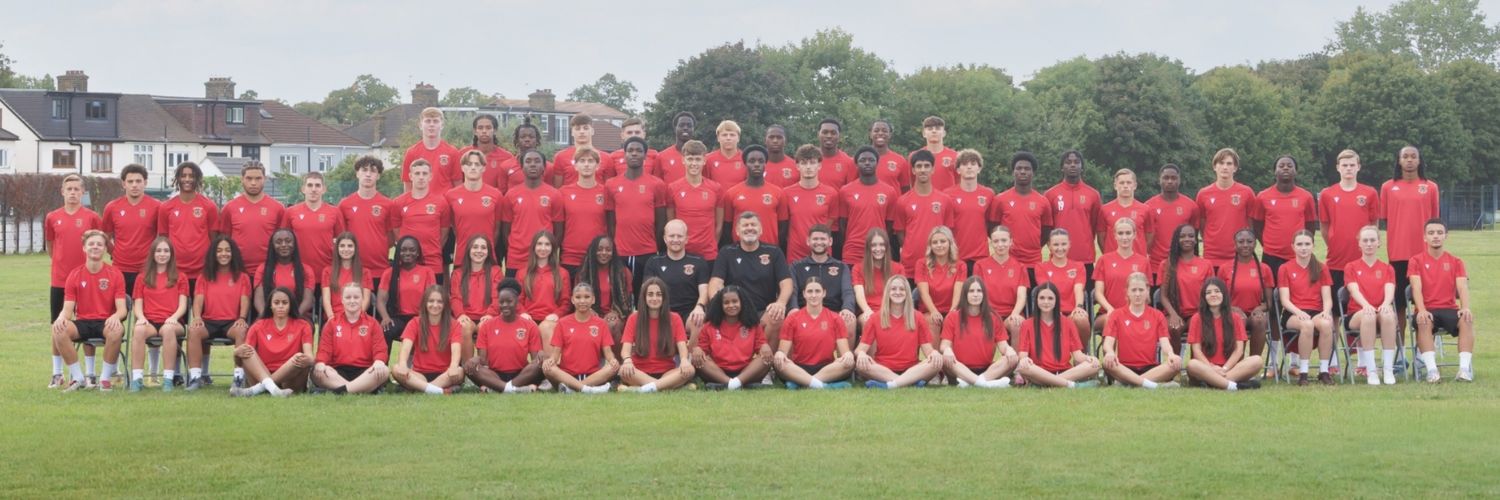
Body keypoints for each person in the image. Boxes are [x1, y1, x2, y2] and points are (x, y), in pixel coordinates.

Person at [50, 230, 127, 392]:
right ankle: (78, 378)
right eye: (91, 244)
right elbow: (68, 309)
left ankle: (105, 379)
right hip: (83, 322)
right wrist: (60, 318)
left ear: (106, 249)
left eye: (100, 244)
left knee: (117, 329)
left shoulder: (115, 274)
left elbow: (122, 310)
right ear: (84, 248)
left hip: (105, 322)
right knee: (58, 330)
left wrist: (115, 317)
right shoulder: (74, 275)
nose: (95, 247)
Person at [46, 174, 103, 388]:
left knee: (88, 323)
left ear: (82, 192)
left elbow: (98, 245)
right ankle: (57, 373)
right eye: (68, 189)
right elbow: (51, 247)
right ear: (62, 191)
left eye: (76, 189)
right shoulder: (52, 217)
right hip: (60, 281)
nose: (72, 192)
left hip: (87, 280)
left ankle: (89, 373)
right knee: (57, 325)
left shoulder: (91, 217)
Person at [1381, 146, 1440, 347]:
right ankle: (1399, 353)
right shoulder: (1388, 187)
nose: (1409, 160)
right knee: (1398, 305)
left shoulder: (1430, 187)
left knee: (1424, 305)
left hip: (1424, 257)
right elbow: (1386, 219)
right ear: (1398, 161)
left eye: (1413, 156)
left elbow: (1434, 223)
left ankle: (1424, 353)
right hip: (1398, 255)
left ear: (1419, 160)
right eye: (1405, 156)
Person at [710, 213, 793, 347]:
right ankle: (740, 358)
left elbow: (786, 283)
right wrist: (717, 304)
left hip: (763, 310)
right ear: (737, 231)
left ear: (760, 230)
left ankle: (766, 362)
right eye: (745, 225)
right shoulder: (726, 252)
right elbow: (716, 282)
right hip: (735, 310)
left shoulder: (774, 252)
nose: (749, 228)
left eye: (753, 225)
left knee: (776, 316)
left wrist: (781, 303)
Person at [1409, 219, 1475, 382]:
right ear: (1425, 237)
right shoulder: (1416, 260)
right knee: (1423, 320)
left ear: (1446, 235)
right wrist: (1422, 309)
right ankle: (1432, 371)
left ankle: (1464, 370)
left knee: (1466, 319)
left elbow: (1462, 287)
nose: (1436, 236)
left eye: (1439, 232)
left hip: (1449, 309)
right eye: (1431, 233)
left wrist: (1465, 307)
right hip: (1427, 309)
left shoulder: (1456, 261)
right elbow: (1416, 287)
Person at [185, 235, 251, 391]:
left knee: (242, 330)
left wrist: (242, 317)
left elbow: (245, 300)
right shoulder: (205, 276)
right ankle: (195, 377)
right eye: (219, 250)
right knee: (194, 331)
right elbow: (198, 300)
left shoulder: (242, 277)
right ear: (213, 254)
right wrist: (197, 317)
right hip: (209, 321)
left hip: (231, 322)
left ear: (233, 253)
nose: (224, 254)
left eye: (228, 250)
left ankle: (238, 377)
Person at [856, 276, 944, 388]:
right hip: (883, 369)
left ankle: (891, 384)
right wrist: (861, 354)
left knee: (937, 362)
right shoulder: (875, 318)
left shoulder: (917, 317)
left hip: (912, 368)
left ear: (907, 293)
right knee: (861, 366)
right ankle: (908, 383)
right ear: (887, 292)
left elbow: (928, 351)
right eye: (893, 289)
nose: (898, 292)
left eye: (902, 289)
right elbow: (859, 350)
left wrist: (934, 353)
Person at [127, 237, 187, 392]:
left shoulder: (180, 277)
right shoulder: (142, 277)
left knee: (168, 330)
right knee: (138, 330)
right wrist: (141, 318)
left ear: (171, 254)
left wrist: (173, 317)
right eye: (159, 250)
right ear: (152, 253)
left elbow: (183, 306)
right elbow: (137, 304)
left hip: (173, 322)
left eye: (166, 251)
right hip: (150, 322)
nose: (162, 254)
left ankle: (167, 379)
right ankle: (137, 379)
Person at [1101, 272, 1181, 389]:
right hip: (1124, 367)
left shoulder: (1157, 315)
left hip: (1150, 367)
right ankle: (1152, 385)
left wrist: (1171, 354)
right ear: (1127, 292)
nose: (1137, 294)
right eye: (1133, 290)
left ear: (1147, 290)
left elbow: (1165, 344)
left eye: (1141, 290)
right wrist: (1110, 352)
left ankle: (1129, 383)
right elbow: (1108, 343)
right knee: (1106, 363)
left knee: (1175, 365)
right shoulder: (1116, 315)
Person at [464, 278, 544, 393]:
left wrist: (542, 356)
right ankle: (514, 389)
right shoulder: (487, 326)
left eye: (509, 301)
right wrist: (475, 360)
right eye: (501, 302)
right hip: (494, 375)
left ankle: (500, 388)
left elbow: (535, 360)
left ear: (517, 301)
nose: (505, 305)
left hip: (521, 374)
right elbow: (482, 360)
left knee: (540, 364)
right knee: (469, 367)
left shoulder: (530, 326)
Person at [606, 137, 668, 286]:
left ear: (645, 156)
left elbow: (661, 222)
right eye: (630, 151)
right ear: (624, 155)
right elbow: (611, 222)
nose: (634, 154)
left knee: (645, 295)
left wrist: (658, 248)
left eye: (639, 151)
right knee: (622, 296)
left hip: (648, 251)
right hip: (622, 252)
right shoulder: (611, 184)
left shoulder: (657, 184)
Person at [774, 277, 856, 389]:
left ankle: (803, 382)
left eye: (817, 291)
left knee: (849, 363)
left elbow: (844, 351)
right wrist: (780, 354)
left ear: (824, 293)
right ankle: (823, 386)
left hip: (826, 368)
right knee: (780, 363)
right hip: (799, 367)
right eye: (809, 291)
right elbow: (782, 351)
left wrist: (848, 354)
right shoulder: (792, 318)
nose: (813, 295)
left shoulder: (835, 318)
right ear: (804, 294)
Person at [230, 287, 313, 397]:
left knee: (298, 357)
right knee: (247, 350)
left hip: (289, 381)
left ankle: (257, 390)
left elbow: (310, 357)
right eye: (276, 303)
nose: (280, 306)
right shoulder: (258, 326)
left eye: (284, 303)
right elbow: (244, 359)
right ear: (270, 305)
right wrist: (236, 353)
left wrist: (306, 359)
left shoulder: (303, 326)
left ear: (291, 305)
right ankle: (274, 390)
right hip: (260, 376)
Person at [1013, 283, 1101, 388]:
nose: (1046, 302)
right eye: (1042, 298)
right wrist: (1024, 360)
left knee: (1093, 366)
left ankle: (1046, 383)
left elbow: (1078, 356)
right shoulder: (1027, 324)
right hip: (1038, 370)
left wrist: (1090, 358)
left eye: (1050, 298)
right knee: (1023, 367)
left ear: (1056, 301)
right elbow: (1023, 355)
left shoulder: (1068, 323)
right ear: (1036, 300)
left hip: (1062, 371)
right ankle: (1071, 385)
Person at [1279, 230, 1336, 386]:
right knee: (1307, 324)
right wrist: (1299, 312)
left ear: (1313, 246)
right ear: (1293, 247)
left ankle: (1324, 372)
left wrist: (1325, 312)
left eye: (1307, 244)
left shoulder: (1321, 268)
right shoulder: (1285, 268)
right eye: (1299, 244)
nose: (1303, 248)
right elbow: (1284, 300)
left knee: (1326, 324)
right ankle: (1303, 373)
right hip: (1293, 313)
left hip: (1316, 311)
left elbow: (1327, 298)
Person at [1319, 150, 1380, 294]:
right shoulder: (1327, 194)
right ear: (1338, 167)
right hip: (1337, 259)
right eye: (1344, 165)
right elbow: (1324, 226)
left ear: (1358, 167)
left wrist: (1367, 244)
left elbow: (1373, 224)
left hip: (1362, 257)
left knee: (1363, 300)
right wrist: (1334, 243)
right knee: (1335, 306)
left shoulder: (1370, 193)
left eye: (1352, 165)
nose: (1348, 168)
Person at [312, 282, 391, 394]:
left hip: (364, 371)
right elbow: (324, 349)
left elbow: (380, 349)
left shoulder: (373, 323)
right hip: (337, 370)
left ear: (362, 299)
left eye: (356, 297)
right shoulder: (332, 323)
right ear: (342, 300)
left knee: (384, 371)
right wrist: (321, 362)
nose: (352, 301)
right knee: (317, 372)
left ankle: (341, 390)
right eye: (348, 297)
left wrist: (379, 361)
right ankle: (358, 389)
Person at [618, 278, 695, 392]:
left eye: (659, 294)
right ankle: (668, 387)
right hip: (640, 372)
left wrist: (684, 360)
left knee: (690, 370)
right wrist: (627, 360)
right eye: (650, 294)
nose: (654, 298)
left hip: (667, 372)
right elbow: (625, 349)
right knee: (623, 372)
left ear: (664, 298)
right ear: (644, 297)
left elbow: (682, 347)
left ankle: (641, 389)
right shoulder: (634, 318)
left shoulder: (675, 318)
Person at [1186, 278, 1263, 390]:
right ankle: (1233, 385)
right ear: (1204, 297)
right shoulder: (1197, 318)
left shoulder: (1235, 318)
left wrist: (1225, 369)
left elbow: (1239, 350)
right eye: (1208, 292)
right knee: (1192, 364)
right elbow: (1196, 351)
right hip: (1205, 368)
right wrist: (1212, 368)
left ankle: (1215, 383)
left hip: (1229, 368)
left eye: (1217, 291)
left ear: (1224, 294)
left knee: (1257, 360)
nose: (1213, 295)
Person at [541, 282, 620, 393]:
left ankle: (573, 389)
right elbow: (555, 355)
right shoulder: (562, 323)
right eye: (578, 297)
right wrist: (550, 361)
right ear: (573, 300)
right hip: (567, 375)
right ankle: (587, 389)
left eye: (587, 297)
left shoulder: (601, 324)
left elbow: (608, 353)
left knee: (613, 367)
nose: (582, 301)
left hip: (593, 375)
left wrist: (612, 360)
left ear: (593, 299)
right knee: (548, 368)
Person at [941, 277, 1019, 388]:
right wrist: (947, 350)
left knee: (1013, 358)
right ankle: (985, 384)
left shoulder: (993, 318)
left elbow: (1003, 346)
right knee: (944, 358)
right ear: (965, 294)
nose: (976, 294)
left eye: (979, 291)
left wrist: (1009, 350)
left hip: (987, 369)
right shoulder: (952, 317)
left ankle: (973, 382)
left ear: (984, 294)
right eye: (971, 291)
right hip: (959, 367)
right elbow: (944, 344)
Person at [1345, 225, 1398, 385]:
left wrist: (1385, 304)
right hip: (1357, 313)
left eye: (1372, 240)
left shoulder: (1387, 268)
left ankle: (1388, 370)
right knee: (1368, 315)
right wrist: (1366, 305)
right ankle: (1371, 370)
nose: (1369, 244)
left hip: (1380, 312)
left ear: (1378, 243)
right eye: (1365, 240)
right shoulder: (1351, 267)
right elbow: (1354, 290)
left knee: (1388, 314)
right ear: (1359, 244)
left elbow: (1390, 289)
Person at [691, 286, 771, 390]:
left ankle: (731, 385)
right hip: (718, 372)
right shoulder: (709, 326)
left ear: (742, 302)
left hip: (746, 371)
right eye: (726, 302)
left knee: (766, 358)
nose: (731, 305)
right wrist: (698, 350)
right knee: (699, 360)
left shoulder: (753, 324)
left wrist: (764, 346)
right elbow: (703, 348)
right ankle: (735, 384)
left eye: (735, 301)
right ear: (720, 305)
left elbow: (760, 344)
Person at [1217, 229, 1273, 377]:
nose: (1245, 245)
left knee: (1259, 321)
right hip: (1232, 313)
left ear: (1255, 244)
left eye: (1249, 241)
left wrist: (1260, 308)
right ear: (1234, 244)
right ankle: (1237, 366)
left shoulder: (1264, 269)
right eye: (1241, 242)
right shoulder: (1225, 268)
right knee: (1238, 320)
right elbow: (1217, 298)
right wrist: (1232, 308)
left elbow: (1269, 303)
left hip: (1254, 312)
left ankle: (1253, 366)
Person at [500, 149, 564, 275]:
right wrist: (515, 248)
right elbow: (506, 230)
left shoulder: (555, 194)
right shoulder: (511, 194)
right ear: (522, 167)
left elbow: (559, 230)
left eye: (537, 161)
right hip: (516, 259)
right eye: (528, 161)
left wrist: (547, 251)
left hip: (543, 258)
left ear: (544, 167)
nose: (533, 164)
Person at [338, 156, 395, 295]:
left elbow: (391, 238)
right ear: (357, 173)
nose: (368, 174)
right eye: (364, 170)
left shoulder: (388, 204)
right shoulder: (345, 205)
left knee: (377, 313)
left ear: (378, 175)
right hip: (354, 271)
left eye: (373, 171)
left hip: (380, 269)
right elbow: (342, 238)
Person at [391, 285, 464, 395]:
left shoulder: (454, 324)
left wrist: (453, 366)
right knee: (396, 369)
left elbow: (456, 351)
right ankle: (436, 390)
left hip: (444, 374)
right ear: (425, 303)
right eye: (431, 301)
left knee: (459, 371)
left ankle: (423, 389)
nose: (435, 305)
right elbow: (405, 348)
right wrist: (402, 364)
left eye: (440, 302)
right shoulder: (414, 323)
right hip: (419, 375)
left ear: (445, 305)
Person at [788, 224, 858, 336]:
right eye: (815, 239)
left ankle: (845, 354)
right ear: (808, 241)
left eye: (823, 239)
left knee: (849, 320)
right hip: (804, 311)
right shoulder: (796, 266)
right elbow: (793, 291)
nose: (819, 242)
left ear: (830, 241)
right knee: (790, 319)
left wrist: (847, 308)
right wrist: (793, 308)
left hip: (833, 311)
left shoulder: (841, 266)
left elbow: (848, 291)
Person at [281, 172, 344, 296]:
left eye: (317, 185)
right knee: (301, 312)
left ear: (324, 189)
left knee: (324, 311)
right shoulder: (290, 212)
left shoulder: (335, 212)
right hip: (299, 272)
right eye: (310, 185)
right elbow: (283, 242)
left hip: (327, 273)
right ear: (303, 189)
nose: (313, 189)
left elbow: (342, 241)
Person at [1253, 155, 1317, 276]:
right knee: (1271, 292)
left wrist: (1302, 245)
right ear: (1275, 171)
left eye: (1289, 166)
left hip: (1297, 254)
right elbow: (1257, 226)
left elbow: (1310, 226)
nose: (1285, 168)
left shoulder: (1306, 196)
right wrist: (1268, 244)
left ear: (1295, 171)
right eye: (1281, 166)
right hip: (1271, 255)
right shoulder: (1263, 196)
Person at [102, 165, 161, 297]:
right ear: (124, 184)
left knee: (145, 312)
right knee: (119, 311)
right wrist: (115, 252)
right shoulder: (112, 207)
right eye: (130, 181)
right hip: (120, 269)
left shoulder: (157, 206)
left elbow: (163, 238)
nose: (134, 185)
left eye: (138, 181)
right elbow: (105, 237)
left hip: (147, 269)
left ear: (145, 183)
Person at [217, 161, 281, 278]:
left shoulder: (277, 208)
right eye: (249, 178)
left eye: (258, 178)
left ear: (264, 179)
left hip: (268, 271)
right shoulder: (230, 208)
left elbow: (281, 241)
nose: (253, 183)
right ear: (242, 179)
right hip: (237, 270)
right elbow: (224, 240)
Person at [989, 152, 1052, 269]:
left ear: (1033, 173)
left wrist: (1033, 247)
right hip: (1007, 260)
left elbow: (1046, 230)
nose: (1023, 171)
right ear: (1013, 172)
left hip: (1033, 262)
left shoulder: (1043, 201)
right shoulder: (1000, 199)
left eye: (1027, 169)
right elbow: (992, 228)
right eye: (1019, 168)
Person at [158, 162, 219, 284]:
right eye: (183, 175)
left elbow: (214, 239)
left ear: (197, 179)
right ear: (177, 178)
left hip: (202, 271)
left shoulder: (209, 206)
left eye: (191, 176)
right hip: (175, 270)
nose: (187, 179)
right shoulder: (166, 207)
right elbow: (164, 239)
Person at [643, 220, 710, 328]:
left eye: (679, 236)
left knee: (698, 322)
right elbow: (647, 292)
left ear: (686, 239)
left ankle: (693, 346)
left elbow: (704, 291)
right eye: (671, 236)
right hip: (662, 312)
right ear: (665, 238)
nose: (675, 240)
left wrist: (700, 307)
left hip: (689, 313)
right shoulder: (654, 262)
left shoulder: (698, 261)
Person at [838, 146, 899, 263]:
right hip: (853, 251)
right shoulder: (845, 191)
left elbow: (889, 224)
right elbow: (842, 224)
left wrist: (881, 244)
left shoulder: (889, 191)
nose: (867, 163)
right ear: (856, 164)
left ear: (877, 163)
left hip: (878, 250)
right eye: (862, 160)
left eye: (871, 160)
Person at [666, 140, 724, 264]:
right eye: (690, 159)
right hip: (682, 254)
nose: (694, 163)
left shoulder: (716, 188)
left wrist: (712, 244)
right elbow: (671, 222)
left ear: (704, 160)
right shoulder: (672, 188)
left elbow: (719, 225)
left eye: (697, 159)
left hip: (708, 254)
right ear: (683, 160)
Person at [391, 159, 451, 279]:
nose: (421, 177)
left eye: (424, 173)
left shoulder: (441, 202)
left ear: (430, 176)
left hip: (433, 262)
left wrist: (431, 249)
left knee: (433, 297)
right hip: (407, 262)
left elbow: (444, 233)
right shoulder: (398, 203)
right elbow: (396, 232)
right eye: (417, 173)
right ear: (410, 176)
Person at [1196, 149, 1257, 265]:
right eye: (1221, 163)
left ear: (1235, 168)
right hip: (1212, 255)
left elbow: (1251, 223)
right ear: (1214, 166)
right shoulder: (1203, 194)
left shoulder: (1247, 192)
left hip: (1239, 255)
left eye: (1229, 164)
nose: (1225, 167)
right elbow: (1202, 224)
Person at [895, 149, 956, 265]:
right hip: (910, 264)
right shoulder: (902, 201)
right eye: (919, 166)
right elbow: (900, 232)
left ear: (933, 169)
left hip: (937, 263)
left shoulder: (945, 200)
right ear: (913, 170)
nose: (923, 170)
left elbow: (948, 232)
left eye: (927, 166)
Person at [782, 144, 842, 261]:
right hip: (795, 255)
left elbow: (829, 223)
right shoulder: (786, 193)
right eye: (804, 163)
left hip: (821, 254)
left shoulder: (831, 193)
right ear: (797, 166)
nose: (808, 167)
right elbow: (784, 224)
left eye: (812, 162)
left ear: (819, 165)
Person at [1045, 151, 1102, 272]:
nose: (1072, 165)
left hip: (1085, 259)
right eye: (1068, 162)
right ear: (1062, 167)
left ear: (1082, 167)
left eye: (1076, 162)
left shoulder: (1093, 194)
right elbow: (1047, 228)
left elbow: (1094, 225)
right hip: (1058, 258)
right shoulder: (1050, 194)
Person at [1093, 218, 1151, 338]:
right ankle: (1109, 356)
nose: (1124, 237)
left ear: (1134, 235)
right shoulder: (1104, 260)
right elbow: (1098, 293)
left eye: (1128, 233)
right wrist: (1111, 310)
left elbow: (1146, 294)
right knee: (1112, 320)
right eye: (1120, 233)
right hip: (1107, 313)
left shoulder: (1143, 262)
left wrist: (1133, 312)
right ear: (1114, 235)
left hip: (1135, 313)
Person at [445, 150, 504, 267]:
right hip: (462, 258)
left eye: (477, 164)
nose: (473, 168)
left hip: (487, 257)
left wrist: (484, 247)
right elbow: (453, 226)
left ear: (483, 168)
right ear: (462, 168)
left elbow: (496, 229)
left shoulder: (496, 195)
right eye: (469, 164)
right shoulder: (450, 196)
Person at [720, 145, 787, 249]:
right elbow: (727, 227)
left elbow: (783, 227)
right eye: (752, 161)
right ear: (745, 164)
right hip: (740, 251)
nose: (756, 164)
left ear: (765, 164)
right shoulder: (731, 193)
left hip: (769, 251)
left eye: (760, 161)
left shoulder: (778, 193)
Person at [450, 234, 503, 362]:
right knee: (464, 327)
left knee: (485, 326)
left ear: (488, 252)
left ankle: (484, 367)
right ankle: (468, 370)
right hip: (466, 316)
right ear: (468, 250)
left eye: (483, 248)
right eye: (475, 247)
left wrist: (490, 314)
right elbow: (455, 298)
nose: (479, 251)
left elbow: (497, 297)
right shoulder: (458, 273)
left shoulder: (496, 271)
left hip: (488, 316)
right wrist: (460, 314)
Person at [1159, 224, 1211, 353]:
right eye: (1182, 236)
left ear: (1195, 240)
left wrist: (1202, 313)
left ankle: (1196, 367)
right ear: (1176, 239)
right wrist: (1173, 314)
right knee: (1174, 328)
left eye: (1191, 236)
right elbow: (1163, 296)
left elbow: (1209, 294)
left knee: (1198, 325)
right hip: (1175, 311)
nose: (1187, 239)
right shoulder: (1167, 264)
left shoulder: (1205, 264)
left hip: (1198, 312)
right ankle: (1176, 364)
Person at [973, 226, 1029, 344]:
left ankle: (1016, 362)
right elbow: (977, 294)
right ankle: (985, 362)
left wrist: (1014, 314)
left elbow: (1022, 296)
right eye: (996, 241)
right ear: (991, 243)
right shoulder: (980, 265)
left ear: (1011, 242)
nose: (1000, 245)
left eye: (1004, 240)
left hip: (1010, 313)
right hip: (988, 313)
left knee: (1017, 323)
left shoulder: (1020, 267)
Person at [377, 237, 438, 345]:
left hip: (420, 317)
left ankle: (418, 362)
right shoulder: (389, 273)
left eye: (412, 249)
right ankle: (382, 361)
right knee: (386, 329)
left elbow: (432, 299)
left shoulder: (427, 272)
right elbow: (380, 300)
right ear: (398, 252)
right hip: (397, 317)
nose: (407, 253)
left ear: (418, 253)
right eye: (403, 249)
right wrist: (385, 317)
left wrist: (426, 318)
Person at [1036, 229, 1091, 345]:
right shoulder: (1041, 267)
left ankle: (1081, 354)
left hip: (1072, 312)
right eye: (1056, 244)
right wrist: (1056, 311)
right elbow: (1047, 292)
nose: (1060, 248)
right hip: (1050, 311)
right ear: (1049, 246)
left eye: (1063, 244)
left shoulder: (1079, 266)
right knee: (1054, 321)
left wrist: (1079, 307)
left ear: (1069, 244)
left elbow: (1078, 289)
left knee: (1081, 319)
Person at [559, 147, 609, 274]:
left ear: (597, 166)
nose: (586, 164)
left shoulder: (606, 192)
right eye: (582, 161)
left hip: (598, 256)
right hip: (570, 257)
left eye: (590, 161)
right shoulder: (563, 192)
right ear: (575, 166)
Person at [576, 234, 634, 344]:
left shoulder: (623, 272)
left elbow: (627, 302)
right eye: (599, 249)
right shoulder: (584, 273)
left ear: (613, 252)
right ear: (593, 251)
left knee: (613, 325)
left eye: (608, 250)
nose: (604, 253)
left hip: (617, 314)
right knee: (594, 325)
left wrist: (616, 312)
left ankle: (616, 360)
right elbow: (578, 299)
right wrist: (589, 310)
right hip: (589, 312)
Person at [518, 231, 571, 347]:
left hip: (550, 320)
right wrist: (522, 313)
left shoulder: (562, 273)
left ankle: (547, 365)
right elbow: (518, 300)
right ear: (534, 247)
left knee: (546, 327)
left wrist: (557, 314)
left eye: (547, 244)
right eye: (539, 244)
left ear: (553, 248)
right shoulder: (522, 273)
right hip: (528, 318)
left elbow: (566, 302)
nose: (543, 248)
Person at [944, 149, 995, 267]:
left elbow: (991, 224)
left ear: (979, 168)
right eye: (965, 164)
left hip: (980, 256)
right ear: (958, 170)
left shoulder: (989, 194)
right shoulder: (947, 194)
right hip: (955, 256)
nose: (969, 167)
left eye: (973, 164)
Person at [1146, 164, 1198, 275]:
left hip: (1182, 264)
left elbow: (1194, 236)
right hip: (1155, 265)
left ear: (1179, 180)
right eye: (1166, 178)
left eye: (1173, 178)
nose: (1170, 181)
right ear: (1159, 180)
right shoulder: (1148, 206)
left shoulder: (1191, 206)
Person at [915, 226, 966, 337]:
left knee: (957, 321)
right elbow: (923, 293)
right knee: (934, 321)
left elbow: (958, 292)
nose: (939, 245)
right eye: (935, 242)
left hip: (952, 309)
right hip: (929, 310)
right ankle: (936, 354)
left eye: (943, 241)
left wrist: (952, 312)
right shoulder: (921, 264)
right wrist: (933, 311)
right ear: (930, 246)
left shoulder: (961, 265)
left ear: (950, 243)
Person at [254, 229, 314, 319]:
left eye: (288, 241)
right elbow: (259, 299)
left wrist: (294, 316)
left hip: (298, 316)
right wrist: (267, 316)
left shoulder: (305, 270)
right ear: (273, 246)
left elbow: (308, 300)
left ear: (294, 245)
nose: (284, 245)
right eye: (278, 242)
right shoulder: (263, 269)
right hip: (270, 316)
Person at [853, 228, 904, 329]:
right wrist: (867, 310)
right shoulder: (858, 268)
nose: (878, 249)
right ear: (868, 248)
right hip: (868, 312)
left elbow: (901, 295)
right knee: (869, 321)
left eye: (881, 245)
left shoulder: (898, 268)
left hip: (892, 311)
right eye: (873, 245)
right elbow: (859, 294)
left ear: (886, 247)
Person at [401, 107, 461, 192]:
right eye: (428, 121)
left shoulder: (452, 152)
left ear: (442, 125)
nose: (431, 124)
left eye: (435, 121)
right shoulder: (411, 152)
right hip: (421, 204)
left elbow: (458, 185)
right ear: (420, 125)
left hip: (445, 203)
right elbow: (408, 185)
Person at [1098, 169, 1153, 258]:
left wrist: (1141, 253)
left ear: (1135, 185)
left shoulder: (1145, 209)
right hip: (1113, 262)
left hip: (1137, 261)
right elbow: (1101, 237)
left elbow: (1149, 236)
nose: (1125, 186)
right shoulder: (1105, 209)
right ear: (1115, 186)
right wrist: (1109, 256)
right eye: (1122, 183)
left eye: (1129, 182)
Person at [456, 114, 514, 191]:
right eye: (480, 128)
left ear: (495, 130)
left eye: (488, 128)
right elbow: (457, 183)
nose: (484, 131)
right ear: (475, 131)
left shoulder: (507, 157)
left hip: (496, 201)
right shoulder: (463, 154)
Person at [321, 232, 371, 321]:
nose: (346, 249)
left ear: (355, 248)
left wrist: (355, 316)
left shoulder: (365, 272)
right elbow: (326, 299)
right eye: (342, 246)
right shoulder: (327, 271)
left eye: (350, 246)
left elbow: (365, 300)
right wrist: (331, 317)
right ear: (337, 248)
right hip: (334, 317)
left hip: (357, 316)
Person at [552, 113, 602, 186]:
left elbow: (609, 188)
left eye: (586, 128)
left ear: (592, 131)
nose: (582, 132)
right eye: (577, 129)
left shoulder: (606, 158)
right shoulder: (560, 157)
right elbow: (557, 188)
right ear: (572, 132)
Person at [913, 116, 959, 190]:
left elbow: (959, 183)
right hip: (924, 200)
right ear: (924, 133)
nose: (934, 131)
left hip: (948, 200)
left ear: (944, 133)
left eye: (938, 128)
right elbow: (911, 183)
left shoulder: (955, 156)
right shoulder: (914, 156)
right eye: (930, 129)